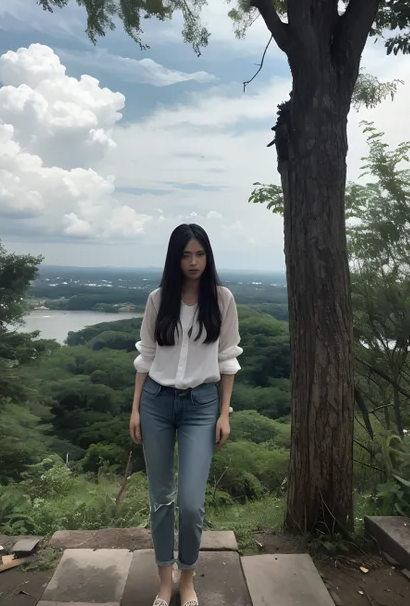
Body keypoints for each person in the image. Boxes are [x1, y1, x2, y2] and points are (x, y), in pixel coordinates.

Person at [129, 223, 242, 606]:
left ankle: (188, 577)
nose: (193, 262)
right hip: (157, 403)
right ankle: (165, 579)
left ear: (208, 257)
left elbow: (228, 360)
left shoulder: (222, 299)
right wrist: (136, 409)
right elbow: (145, 356)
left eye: (200, 254)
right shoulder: (158, 299)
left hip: (202, 405)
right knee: (160, 498)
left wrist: (224, 413)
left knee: (191, 503)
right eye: (185, 254)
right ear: (174, 258)